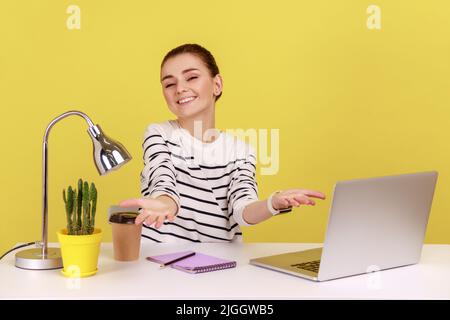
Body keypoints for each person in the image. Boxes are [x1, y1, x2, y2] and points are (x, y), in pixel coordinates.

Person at [119, 43, 326, 242]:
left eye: (191, 77)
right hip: (159, 259)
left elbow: (242, 211)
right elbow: (161, 179)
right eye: (169, 83)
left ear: (216, 85)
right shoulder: (159, 133)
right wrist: (166, 204)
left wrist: (273, 203)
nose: (180, 88)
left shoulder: (241, 151)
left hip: (219, 263)